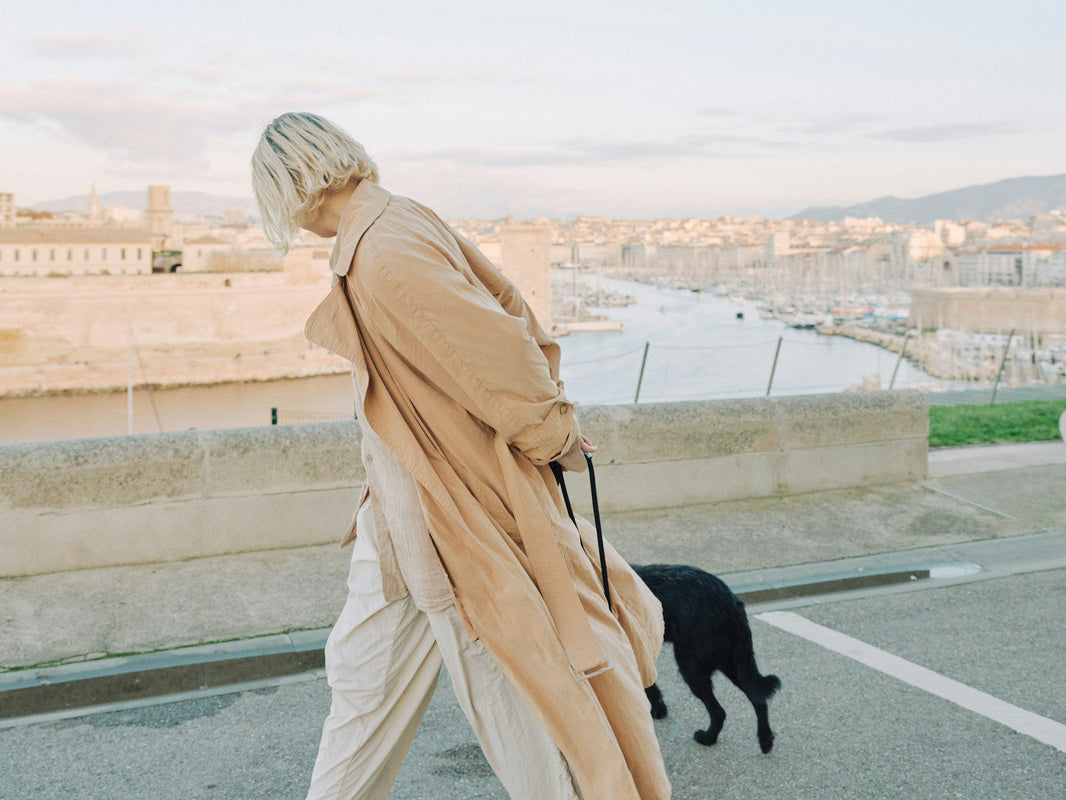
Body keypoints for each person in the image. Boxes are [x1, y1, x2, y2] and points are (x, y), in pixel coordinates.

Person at [251, 112, 671, 800]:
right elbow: (510, 310)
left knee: (518, 703)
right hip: (400, 517)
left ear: (295, 181)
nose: (288, 222)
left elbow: (493, 352)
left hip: (448, 519)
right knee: (362, 687)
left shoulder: (383, 249)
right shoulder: (397, 224)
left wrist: (552, 431)